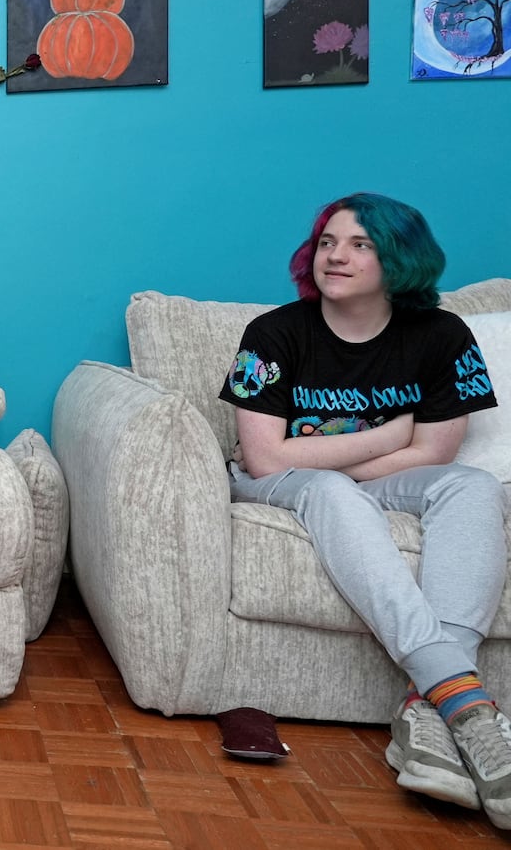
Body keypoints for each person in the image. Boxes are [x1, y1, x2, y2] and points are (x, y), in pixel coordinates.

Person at [220, 193, 506, 826]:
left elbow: (437, 452)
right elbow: (266, 461)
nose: (336, 256)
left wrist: (328, 458)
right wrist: (389, 434)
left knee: (472, 487)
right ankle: (471, 706)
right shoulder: (273, 334)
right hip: (282, 485)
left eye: (359, 245)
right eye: (327, 242)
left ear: (399, 260)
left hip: (354, 478)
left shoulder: (442, 337)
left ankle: (432, 704)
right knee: (326, 490)